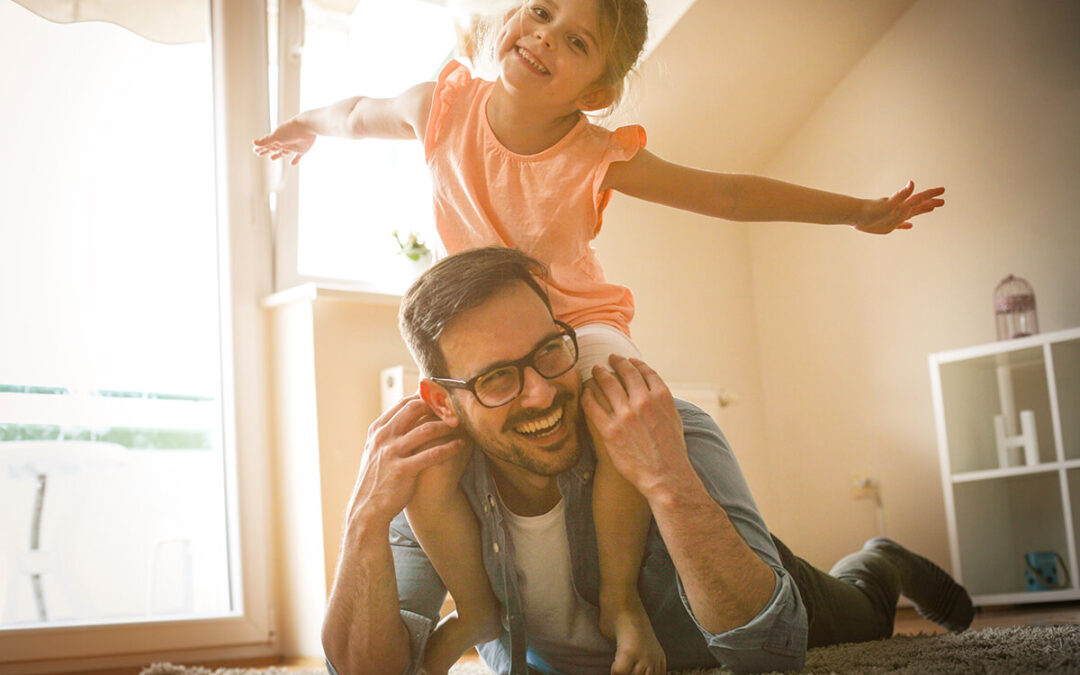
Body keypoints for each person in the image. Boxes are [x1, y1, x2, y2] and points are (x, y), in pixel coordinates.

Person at [256, 2, 946, 671]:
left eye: (579, 42)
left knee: (615, 405)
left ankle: (620, 599)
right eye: (543, 11)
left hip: (576, 319)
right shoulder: (442, 105)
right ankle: (473, 609)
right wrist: (303, 123)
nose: (547, 36)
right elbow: (352, 112)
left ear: (598, 91)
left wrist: (859, 211)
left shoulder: (591, 155)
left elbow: (728, 194)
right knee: (431, 447)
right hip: (485, 326)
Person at [321, 246, 974, 675]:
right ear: (443, 399)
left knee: (863, 611)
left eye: (550, 350)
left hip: (761, 580)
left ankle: (882, 559)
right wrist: (363, 523)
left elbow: (769, 650)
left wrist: (664, 475)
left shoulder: (663, 426)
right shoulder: (433, 478)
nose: (543, 391)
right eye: (497, 378)